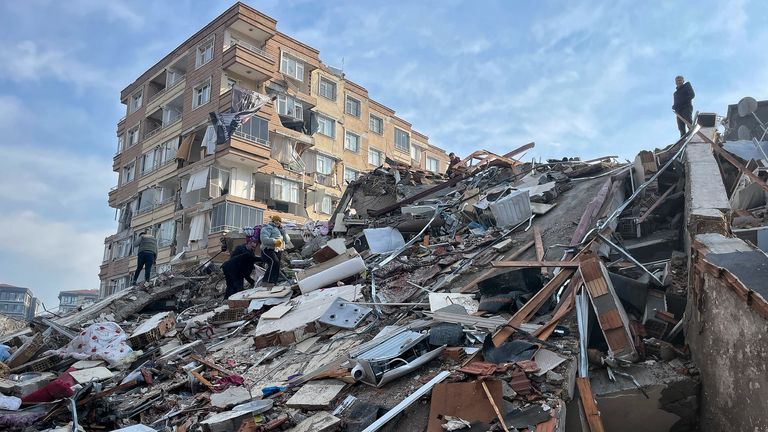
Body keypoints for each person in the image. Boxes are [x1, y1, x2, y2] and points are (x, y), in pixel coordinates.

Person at [260, 215, 286, 286]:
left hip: (277, 250)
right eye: (276, 220)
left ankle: (273, 282)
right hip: (268, 249)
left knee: (277, 264)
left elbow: (287, 240)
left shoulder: (279, 230)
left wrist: (283, 231)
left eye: (279, 221)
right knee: (274, 261)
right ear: (273, 220)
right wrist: (275, 241)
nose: (278, 222)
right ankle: (267, 281)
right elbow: (264, 239)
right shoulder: (267, 228)